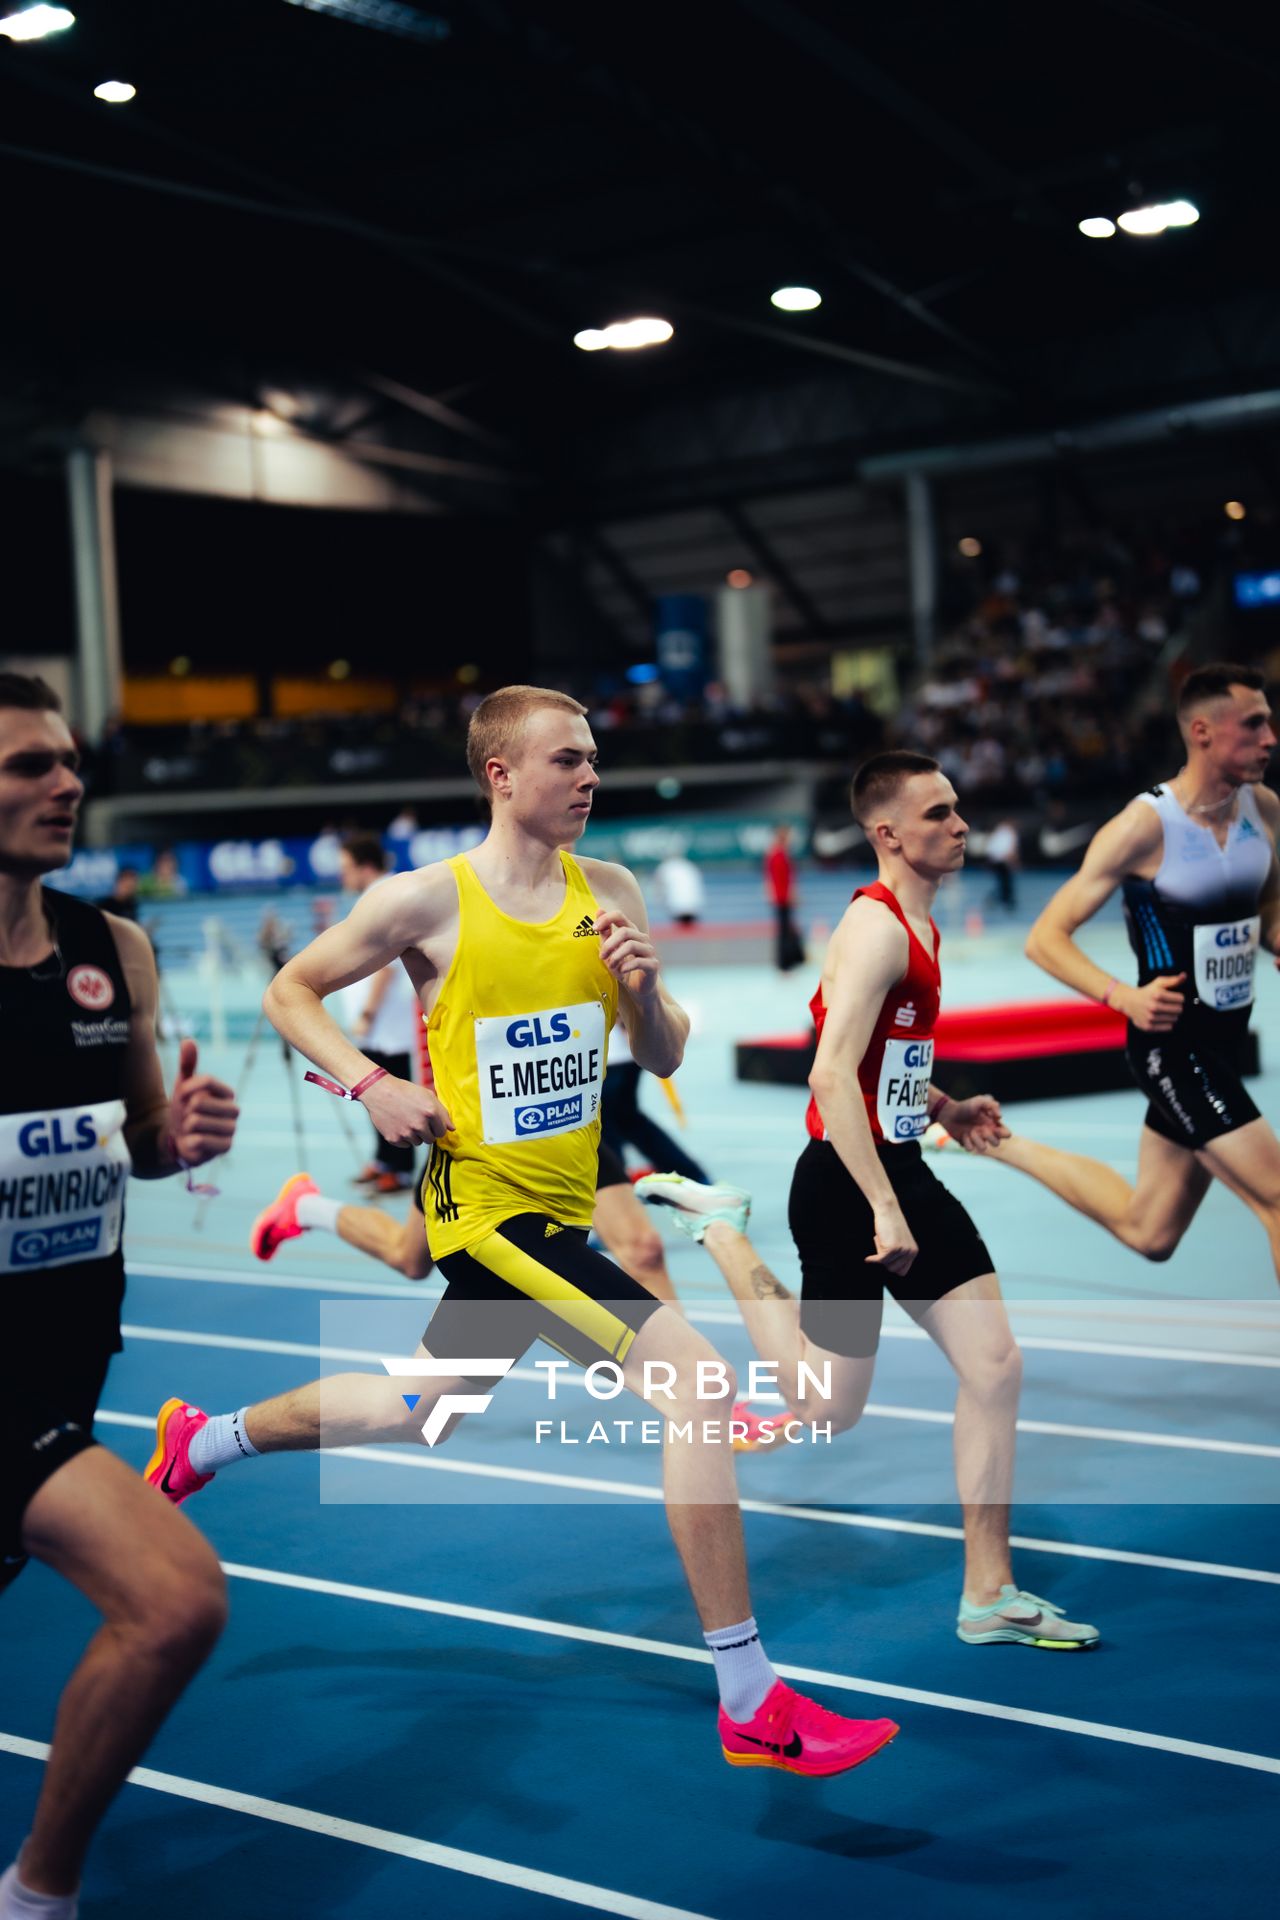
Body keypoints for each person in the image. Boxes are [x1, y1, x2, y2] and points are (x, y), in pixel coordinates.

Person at [150, 684, 898, 1776]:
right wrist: (369, 1085)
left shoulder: (612, 889)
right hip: (482, 1210)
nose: (589, 776)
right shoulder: (427, 902)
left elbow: (666, 1052)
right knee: (693, 1385)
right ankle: (748, 1696)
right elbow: (291, 991)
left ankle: (202, 1440)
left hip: (553, 1206)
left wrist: (640, 993)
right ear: (501, 774)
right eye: (565, 760)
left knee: (423, 1408)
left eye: (593, 759)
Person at [639, 750, 1099, 1649]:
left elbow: (876, 1061)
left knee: (996, 1367)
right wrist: (883, 1207)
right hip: (849, 1187)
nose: (960, 824)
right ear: (887, 832)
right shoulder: (879, 927)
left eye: (958, 809)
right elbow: (827, 1074)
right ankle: (728, 1235)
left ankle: (989, 1594)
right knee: (824, 1412)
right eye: (938, 814)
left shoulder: (918, 926)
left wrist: (944, 1106)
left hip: (901, 1170)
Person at [0, 673, 238, 1920]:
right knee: (175, 1599)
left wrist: (177, 1135)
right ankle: (39, 1894)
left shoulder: (112, 951)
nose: (65, 785)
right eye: (28, 767)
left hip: (67, 1362)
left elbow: (137, 1141)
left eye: (68, 762)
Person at [984, 663, 1280, 1277]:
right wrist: (1122, 996)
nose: (1271, 738)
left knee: (1151, 1230)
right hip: (1172, 1048)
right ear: (1202, 731)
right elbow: (1045, 938)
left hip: (1223, 1044)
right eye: (1254, 724)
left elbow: (1269, 901)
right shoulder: (1146, 826)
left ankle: (1002, 1142)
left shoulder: (1265, 810)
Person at [249, 1140, 776, 1447]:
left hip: (571, 1120)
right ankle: (305, 1207)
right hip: (481, 1151)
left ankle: (694, 1392)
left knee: (641, 1248)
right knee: (410, 1258)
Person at [338, 833, 421, 1191]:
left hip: (387, 1023)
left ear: (364, 866)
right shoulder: (370, 897)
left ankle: (399, 1168)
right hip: (377, 1026)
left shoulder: (383, 896)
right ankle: (382, 1159)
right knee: (371, 1093)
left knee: (390, 1092)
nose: (342, 876)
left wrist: (368, 1013)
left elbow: (386, 966)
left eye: (346, 868)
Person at [601, 1017, 710, 1184]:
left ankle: (617, 1186)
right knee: (628, 1119)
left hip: (609, 1052)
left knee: (606, 1125)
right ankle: (690, 1174)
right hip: (627, 1048)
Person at [764, 824, 803, 971]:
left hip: (783, 896)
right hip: (782, 897)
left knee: (786, 929)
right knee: (783, 931)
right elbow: (776, 878)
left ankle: (789, 961)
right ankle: (784, 964)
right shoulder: (777, 854)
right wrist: (790, 894)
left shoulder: (779, 853)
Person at [653, 851, 705, 927]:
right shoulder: (690, 866)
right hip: (695, 906)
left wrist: (659, 900)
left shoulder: (664, 867)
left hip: (676, 906)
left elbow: (658, 888)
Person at [983, 817, 1019, 909]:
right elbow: (1011, 849)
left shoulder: (998, 832)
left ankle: (1001, 900)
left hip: (997, 862)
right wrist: (1012, 861)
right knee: (1005, 883)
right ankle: (1005, 901)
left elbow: (991, 849)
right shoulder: (1008, 833)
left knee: (1002, 883)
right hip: (1003, 862)